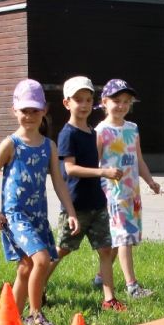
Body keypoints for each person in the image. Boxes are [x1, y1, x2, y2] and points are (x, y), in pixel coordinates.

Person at [0, 78, 78, 325]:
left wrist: (70, 211)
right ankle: (35, 314)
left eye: (34, 110)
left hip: (38, 216)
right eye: (24, 110)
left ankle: (10, 321)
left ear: (44, 111)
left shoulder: (49, 146)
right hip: (15, 216)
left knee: (26, 267)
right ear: (14, 110)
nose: (29, 115)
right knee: (41, 259)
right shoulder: (10, 144)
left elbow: (59, 182)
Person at [48, 76, 126, 311]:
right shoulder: (67, 134)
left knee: (105, 248)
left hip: (96, 203)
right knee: (62, 249)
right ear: (66, 103)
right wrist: (103, 171)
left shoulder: (92, 133)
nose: (83, 105)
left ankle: (109, 299)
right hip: (76, 205)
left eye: (88, 99)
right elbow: (69, 169)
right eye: (78, 100)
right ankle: (38, 285)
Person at [95, 78, 160, 299]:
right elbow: (96, 164)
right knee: (124, 238)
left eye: (126, 101)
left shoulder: (132, 128)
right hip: (112, 193)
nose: (121, 105)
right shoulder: (101, 131)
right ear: (104, 102)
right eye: (116, 101)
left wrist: (150, 181)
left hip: (132, 193)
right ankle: (132, 286)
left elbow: (138, 159)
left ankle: (100, 277)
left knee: (118, 237)